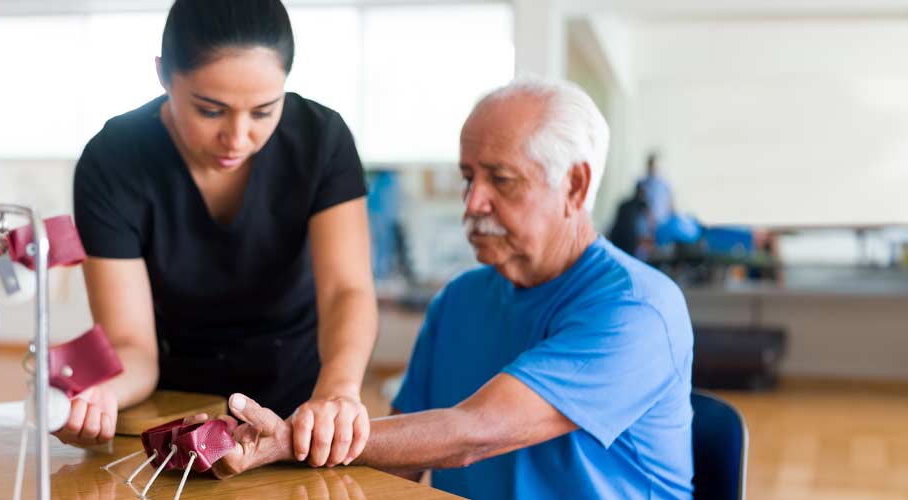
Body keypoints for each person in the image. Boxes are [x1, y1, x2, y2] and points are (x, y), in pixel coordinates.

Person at [193, 78, 696, 499]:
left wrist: (294, 440)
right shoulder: (460, 299)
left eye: (502, 180)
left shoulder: (637, 309)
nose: (474, 202)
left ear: (575, 187)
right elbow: (399, 465)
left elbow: (473, 434)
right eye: (468, 177)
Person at [66, 0, 377, 469]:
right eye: (211, 110)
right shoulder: (113, 162)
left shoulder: (321, 140)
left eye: (264, 111)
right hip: (175, 405)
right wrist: (98, 393)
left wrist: (338, 392)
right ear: (164, 76)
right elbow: (132, 346)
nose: (237, 137)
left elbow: (346, 291)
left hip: (303, 400)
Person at [608, 181, 650, 257]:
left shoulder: (624, 204)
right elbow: (650, 221)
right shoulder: (642, 206)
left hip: (616, 237)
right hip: (629, 240)